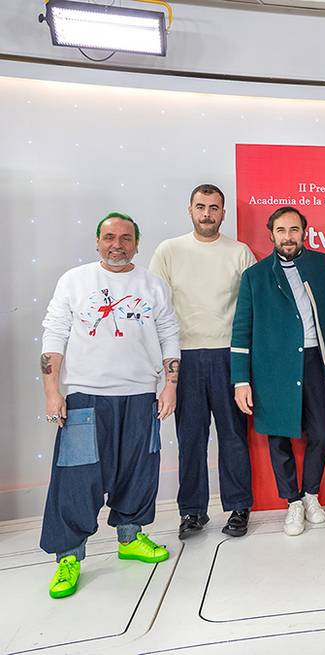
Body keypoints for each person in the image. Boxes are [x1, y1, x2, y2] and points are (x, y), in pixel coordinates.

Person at [40, 212, 180, 599]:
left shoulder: (153, 285)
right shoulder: (75, 280)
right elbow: (54, 333)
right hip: (86, 395)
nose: (116, 244)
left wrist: (169, 386)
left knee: (138, 470)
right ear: (97, 241)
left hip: (140, 395)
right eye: (108, 237)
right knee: (77, 479)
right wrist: (53, 391)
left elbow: (169, 333)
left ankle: (130, 537)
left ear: (137, 242)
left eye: (125, 237)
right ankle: (69, 556)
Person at [150, 184, 256, 540]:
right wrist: (165, 366)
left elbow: (252, 308)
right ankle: (192, 512)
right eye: (201, 207)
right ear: (189, 209)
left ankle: (239, 507)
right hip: (186, 357)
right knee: (190, 437)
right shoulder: (168, 251)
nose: (207, 213)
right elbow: (156, 308)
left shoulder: (240, 252)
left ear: (224, 213)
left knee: (233, 436)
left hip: (229, 354)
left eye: (214, 208)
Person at [231, 206, 325, 537]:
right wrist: (241, 380)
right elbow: (241, 330)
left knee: (322, 432)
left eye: (294, 230)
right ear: (271, 234)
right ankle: (292, 502)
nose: (288, 236)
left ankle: (310, 495)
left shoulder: (324, 266)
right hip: (273, 370)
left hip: (316, 361)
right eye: (281, 230)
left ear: (304, 232)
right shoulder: (256, 276)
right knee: (279, 437)